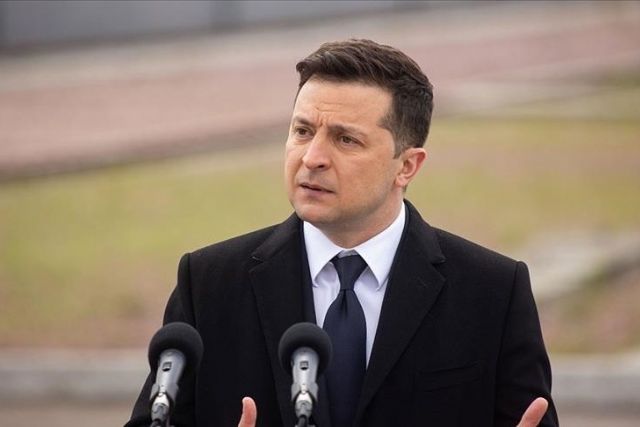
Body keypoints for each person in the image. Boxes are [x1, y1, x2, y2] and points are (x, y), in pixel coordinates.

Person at [126, 39, 558, 427]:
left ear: (407, 166)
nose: (312, 157)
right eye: (302, 131)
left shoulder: (493, 291)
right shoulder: (208, 283)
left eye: (346, 140)